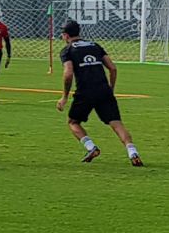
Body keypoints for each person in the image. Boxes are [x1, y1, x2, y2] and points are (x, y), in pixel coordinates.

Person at [56, 20, 143, 166]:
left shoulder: (68, 50)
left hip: (85, 92)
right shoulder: (94, 45)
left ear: (66, 35)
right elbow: (113, 68)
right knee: (116, 123)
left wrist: (64, 96)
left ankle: (91, 148)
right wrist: (111, 89)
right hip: (104, 90)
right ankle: (132, 152)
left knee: (73, 122)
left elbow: (68, 73)